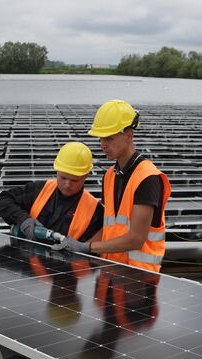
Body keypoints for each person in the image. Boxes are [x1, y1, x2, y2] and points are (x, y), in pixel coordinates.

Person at [53, 100, 171, 273]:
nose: (102, 144)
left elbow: (136, 239)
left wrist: (87, 248)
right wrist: (77, 247)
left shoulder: (147, 178)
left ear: (129, 135)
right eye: (101, 138)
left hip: (138, 279)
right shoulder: (110, 176)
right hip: (110, 273)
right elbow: (109, 227)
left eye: (109, 138)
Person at [0, 142, 103, 242]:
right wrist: (23, 219)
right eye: (63, 178)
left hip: (66, 262)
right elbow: (3, 200)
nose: (67, 185)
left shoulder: (95, 211)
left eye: (74, 180)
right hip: (27, 258)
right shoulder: (39, 189)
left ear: (86, 176)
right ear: (57, 171)